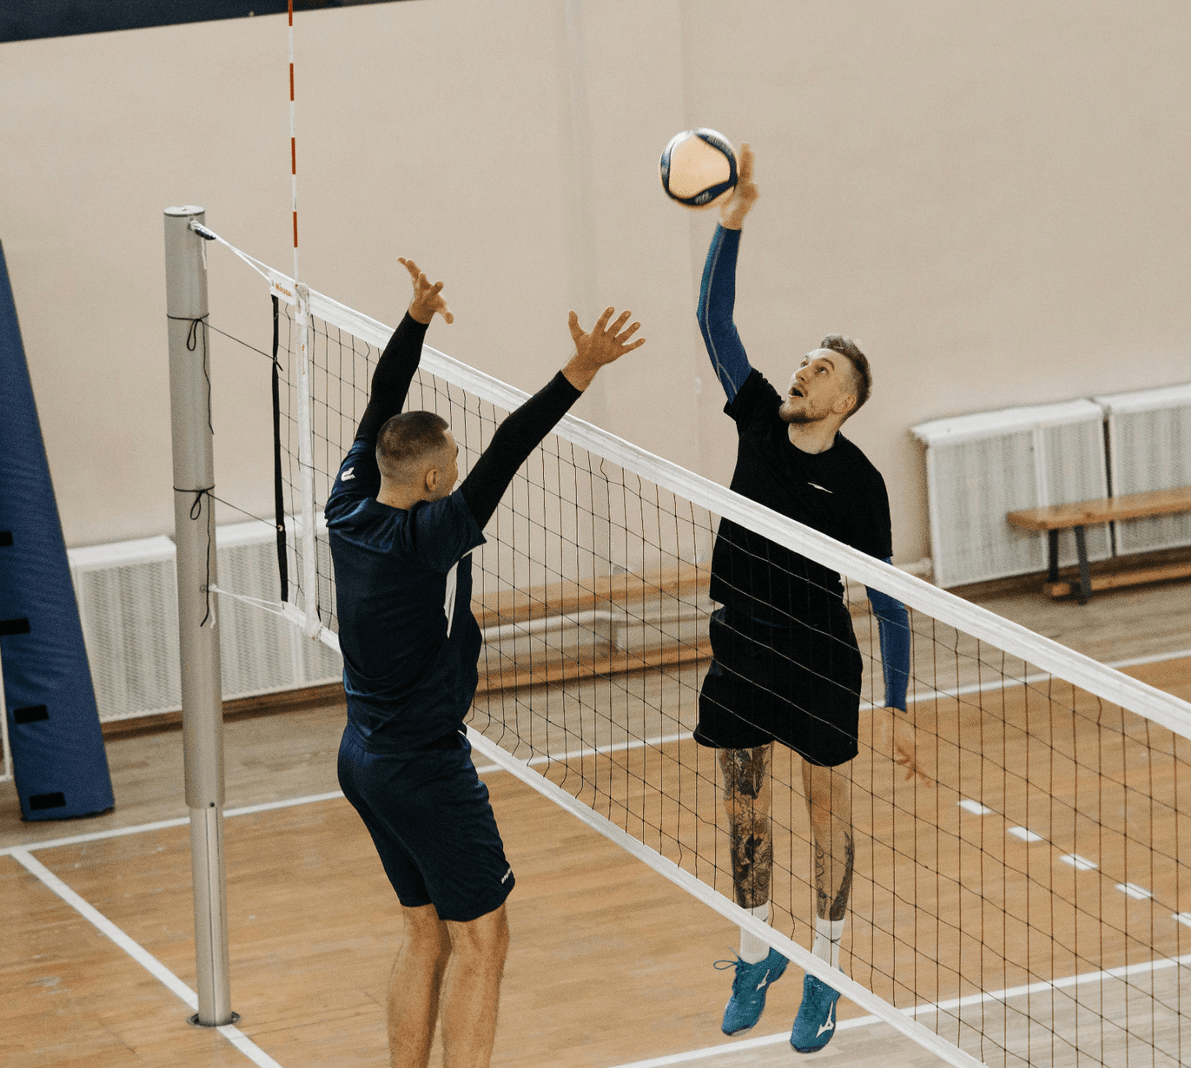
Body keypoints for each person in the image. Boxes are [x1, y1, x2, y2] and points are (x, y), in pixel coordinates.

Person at [329, 258, 644, 1068]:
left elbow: (380, 407)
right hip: (423, 768)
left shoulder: (349, 504)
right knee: (484, 944)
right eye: (453, 468)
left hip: (361, 754)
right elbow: (513, 445)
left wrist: (416, 322)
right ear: (434, 479)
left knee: (425, 934)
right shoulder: (428, 535)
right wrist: (580, 370)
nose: (462, 474)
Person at [692, 145, 926, 1055]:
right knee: (744, 806)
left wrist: (899, 706)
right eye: (804, 361)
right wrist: (733, 217)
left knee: (828, 811)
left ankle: (824, 971)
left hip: (822, 657)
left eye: (823, 368)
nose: (804, 369)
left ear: (849, 398)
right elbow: (712, 317)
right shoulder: (757, 417)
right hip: (740, 644)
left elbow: (891, 600)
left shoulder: (862, 483)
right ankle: (758, 954)